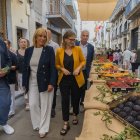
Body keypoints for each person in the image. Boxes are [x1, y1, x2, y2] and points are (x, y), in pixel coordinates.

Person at [22, 28, 56, 138]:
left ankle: (44, 127)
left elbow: (53, 68)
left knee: (46, 106)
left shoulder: (49, 50)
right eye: (40, 36)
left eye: (44, 36)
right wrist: (24, 83)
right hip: (32, 82)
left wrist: (52, 83)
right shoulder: (29, 51)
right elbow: (25, 68)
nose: (42, 38)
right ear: (35, 37)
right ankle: (37, 123)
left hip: (45, 82)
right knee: (32, 104)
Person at [55, 30, 86, 135]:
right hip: (64, 80)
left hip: (76, 78)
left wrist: (78, 68)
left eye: (74, 39)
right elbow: (57, 64)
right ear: (65, 39)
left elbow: (83, 61)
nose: (73, 41)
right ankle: (65, 123)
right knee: (64, 101)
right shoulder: (59, 51)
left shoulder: (78, 49)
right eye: (71, 39)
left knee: (76, 99)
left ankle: (75, 115)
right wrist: (62, 69)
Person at [75, 30, 94, 112]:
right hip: (75, 71)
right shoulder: (75, 45)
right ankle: (74, 105)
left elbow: (91, 59)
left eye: (87, 36)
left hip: (85, 71)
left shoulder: (91, 47)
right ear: (81, 36)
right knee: (75, 89)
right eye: (84, 35)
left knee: (83, 89)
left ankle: (82, 104)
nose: (85, 37)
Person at [0, 38, 14, 134]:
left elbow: (9, 61)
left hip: (2, 80)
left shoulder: (1, 42)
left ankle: (3, 123)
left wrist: (5, 70)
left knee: (6, 102)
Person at [47, 29, 59, 118]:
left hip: (52, 71)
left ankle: (52, 108)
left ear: (50, 35)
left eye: (47, 34)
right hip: (43, 73)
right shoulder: (40, 45)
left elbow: (57, 59)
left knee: (53, 91)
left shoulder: (55, 45)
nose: (45, 36)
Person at [4, 40, 17, 117]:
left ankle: (12, 111)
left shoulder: (13, 55)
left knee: (11, 95)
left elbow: (15, 66)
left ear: (9, 45)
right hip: (2, 79)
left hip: (10, 78)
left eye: (5, 44)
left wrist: (4, 69)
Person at [17, 38, 29, 111]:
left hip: (29, 73)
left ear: (27, 43)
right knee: (24, 88)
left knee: (29, 87)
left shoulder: (29, 51)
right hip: (20, 73)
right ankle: (27, 102)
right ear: (19, 43)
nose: (23, 43)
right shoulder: (16, 52)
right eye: (21, 42)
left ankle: (28, 102)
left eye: (24, 42)